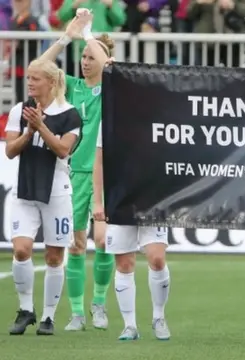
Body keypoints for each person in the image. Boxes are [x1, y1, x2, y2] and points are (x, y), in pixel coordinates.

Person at [38, 10, 115, 331]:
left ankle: (100, 305)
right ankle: (78, 313)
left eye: (90, 56)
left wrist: (89, 34)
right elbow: (40, 69)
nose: (85, 61)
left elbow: (109, 64)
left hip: (106, 174)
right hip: (74, 174)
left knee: (106, 242)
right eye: (82, 57)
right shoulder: (72, 86)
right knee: (76, 245)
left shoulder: (112, 87)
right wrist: (67, 37)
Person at [5, 59, 82, 335]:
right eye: (28, 78)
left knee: (53, 256)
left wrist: (42, 127)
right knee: (22, 249)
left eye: (36, 79)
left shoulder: (70, 115)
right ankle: (26, 309)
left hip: (56, 193)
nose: (30, 83)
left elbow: (63, 150)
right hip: (25, 190)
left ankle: (48, 317)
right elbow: (10, 151)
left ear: (51, 82)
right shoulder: (20, 110)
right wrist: (29, 131)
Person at [93, 120, 171, 340]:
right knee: (124, 263)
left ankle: (159, 317)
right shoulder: (111, 116)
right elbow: (99, 162)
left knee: (156, 258)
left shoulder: (159, 111)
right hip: (120, 199)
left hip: (154, 198)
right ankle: (130, 326)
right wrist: (98, 202)